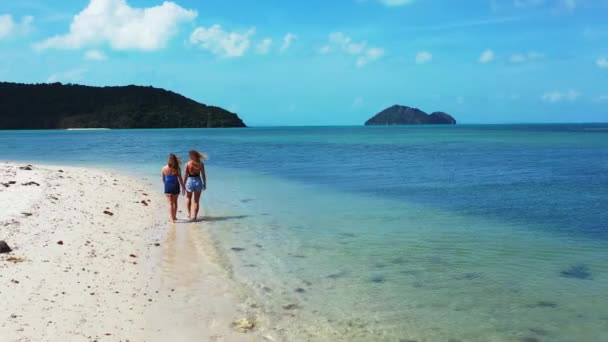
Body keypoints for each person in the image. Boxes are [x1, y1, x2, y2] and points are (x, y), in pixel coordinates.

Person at [184, 150, 207, 221]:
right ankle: (195, 217)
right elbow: (203, 174)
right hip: (198, 181)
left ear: (191, 156)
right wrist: (204, 183)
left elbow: (185, 175)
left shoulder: (187, 164)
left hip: (190, 181)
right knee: (196, 201)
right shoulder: (201, 164)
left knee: (188, 198)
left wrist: (183, 184)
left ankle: (189, 214)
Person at [161, 154, 185, 222]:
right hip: (176, 185)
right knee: (175, 202)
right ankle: (174, 216)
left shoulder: (164, 168)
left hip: (168, 185)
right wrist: (183, 187)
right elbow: (180, 179)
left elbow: (163, 179)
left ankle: (171, 218)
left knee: (170, 203)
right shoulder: (178, 168)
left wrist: (166, 185)